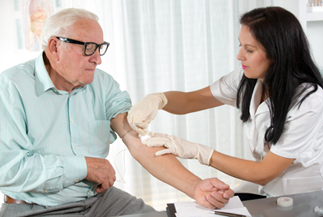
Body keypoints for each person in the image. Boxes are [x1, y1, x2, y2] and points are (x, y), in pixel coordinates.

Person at [0, 8, 234, 217]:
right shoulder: (10, 88)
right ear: (54, 47)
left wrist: (194, 186)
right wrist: (84, 167)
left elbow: (139, 143)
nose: (98, 59)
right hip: (34, 207)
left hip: (100, 202)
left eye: (100, 48)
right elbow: (8, 169)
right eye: (88, 48)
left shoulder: (103, 84)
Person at [128, 6, 323, 200]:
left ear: (278, 53)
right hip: (266, 188)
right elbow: (190, 101)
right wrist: (159, 99)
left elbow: (265, 172)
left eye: (249, 49)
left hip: (304, 195)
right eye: (240, 46)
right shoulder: (248, 78)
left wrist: (199, 152)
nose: (240, 56)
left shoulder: (309, 100)